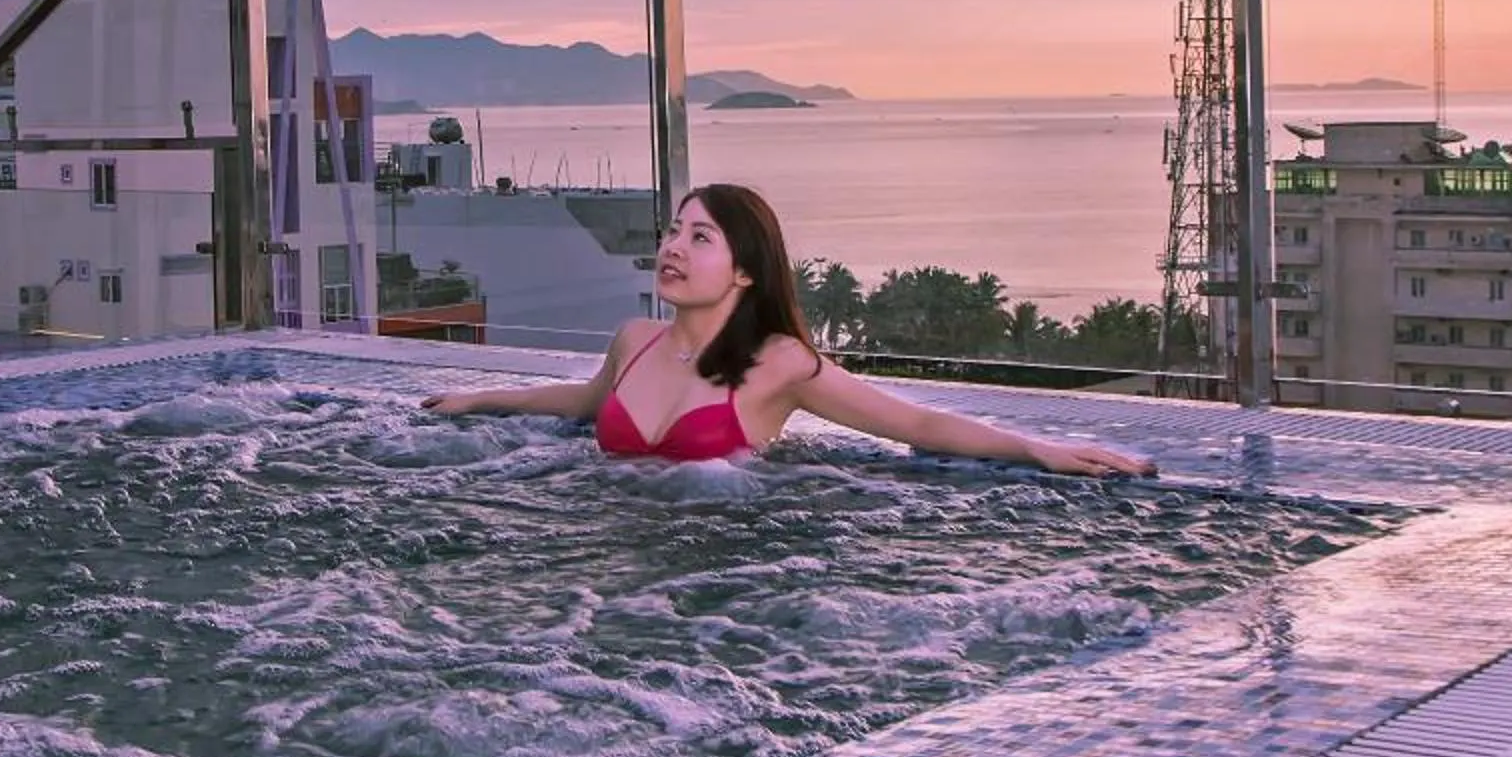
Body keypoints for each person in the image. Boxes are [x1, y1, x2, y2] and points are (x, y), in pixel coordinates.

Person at [423, 182, 1156, 477]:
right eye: (674, 231)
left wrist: (1039, 448)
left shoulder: (779, 364)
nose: (673, 247)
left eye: (700, 238)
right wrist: (479, 401)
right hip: (610, 557)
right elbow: (582, 404)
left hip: (723, 569)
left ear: (745, 271)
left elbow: (915, 423)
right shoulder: (633, 340)